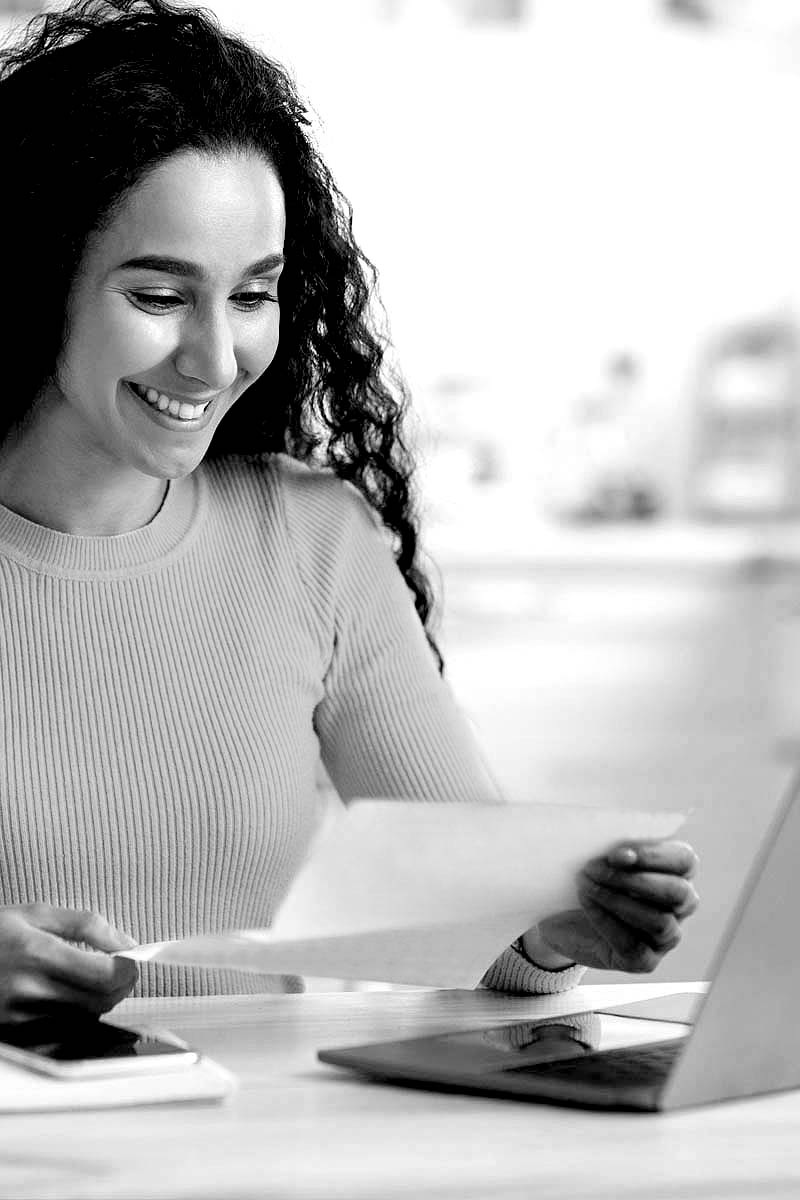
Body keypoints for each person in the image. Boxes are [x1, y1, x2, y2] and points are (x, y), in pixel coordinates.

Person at [0, 0, 698, 1021]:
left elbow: (483, 932)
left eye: (251, 295)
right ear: (29, 282)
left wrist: (554, 930)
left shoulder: (310, 541)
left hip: (270, 1155)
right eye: (158, 297)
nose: (216, 357)